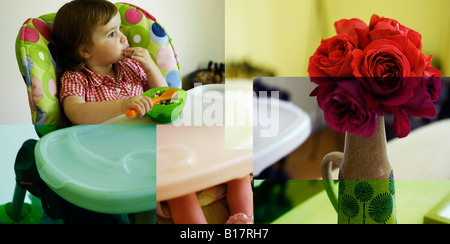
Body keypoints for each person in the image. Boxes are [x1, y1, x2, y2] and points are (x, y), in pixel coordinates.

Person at [53, 0, 167, 125]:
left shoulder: (131, 66)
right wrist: (122, 106)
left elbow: (164, 97)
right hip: (104, 142)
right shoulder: (75, 79)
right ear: (85, 50)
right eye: (112, 34)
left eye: (120, 28)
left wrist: (150, 67)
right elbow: (76, 112)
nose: (123, 37)